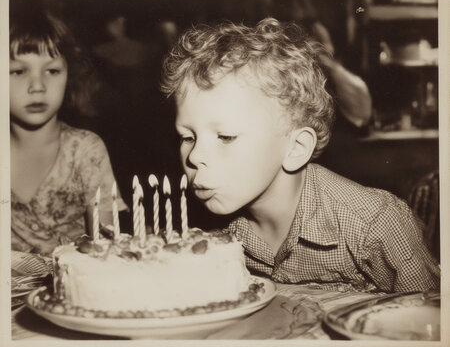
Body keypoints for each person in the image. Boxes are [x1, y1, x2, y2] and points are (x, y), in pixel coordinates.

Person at [160, 18, 440, 293]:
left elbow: (430, 320)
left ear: (296, 148)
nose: (194, 156)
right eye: (187, 137)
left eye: (225, 137)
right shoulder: (200, 231)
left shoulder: (374, 224)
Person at [10, 10, 127, 256]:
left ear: (69, 75)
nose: (38, 86)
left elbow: (107, 252)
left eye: (52, 71)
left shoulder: (85, 150)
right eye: (18, 71)